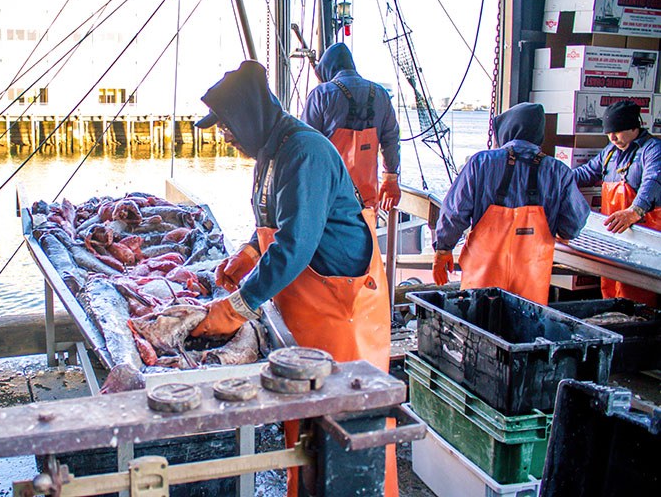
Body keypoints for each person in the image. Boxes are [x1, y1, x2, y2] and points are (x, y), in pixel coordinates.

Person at [190, 60, 396, 497]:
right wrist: (249, 252)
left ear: (248, 115)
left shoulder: (304, 151)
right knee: (306, 431)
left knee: (346, 432)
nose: (225, 135)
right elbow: (276, 220)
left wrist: (236, 308)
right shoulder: (271, 152)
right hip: (306, 310)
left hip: (342, 313)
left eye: (227, 126)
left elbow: (296, 243)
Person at [432, 103, 590, 305]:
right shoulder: (559, 171)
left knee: (478, 324)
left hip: (483, 273)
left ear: (506, 130)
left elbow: (455, 212)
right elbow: (573, 222)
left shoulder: (481, 162)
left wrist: (443, 249)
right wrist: (563, 233)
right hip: (531, 276)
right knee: (524, 328)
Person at [573, 100, 660, 305]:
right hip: (614, 237)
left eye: (618, 132)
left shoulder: (653, 150)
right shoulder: (609, 152)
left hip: (644, 239)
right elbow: (585, 173)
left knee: (637, 295)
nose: (612, 137)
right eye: (608, 133)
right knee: (611, 290)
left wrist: (634, 211)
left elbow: (653, 180)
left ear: (634, 127)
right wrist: (555, 178)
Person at [302, 43, 401, 210]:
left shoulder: (321, 94)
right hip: (366, 199)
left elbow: (305, 145)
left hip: (328, 197)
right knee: (366, 233)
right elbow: (391, 139)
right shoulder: (381, 94)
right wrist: (390, 178)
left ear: (327, 69)